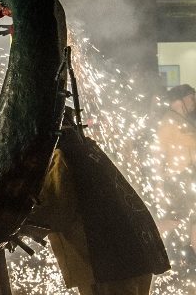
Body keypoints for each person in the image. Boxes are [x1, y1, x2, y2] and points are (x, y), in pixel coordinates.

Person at [25, 107, 170, 295]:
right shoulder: (86, 148)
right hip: (133, 257)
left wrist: (15, 222)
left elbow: (56, 213)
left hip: (106, 264)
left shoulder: (59, 155)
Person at [155, 84, 196, 267]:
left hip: (187, 178)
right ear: (179, 100)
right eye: (191, 98)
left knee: (190, 219)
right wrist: (159, 185)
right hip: (177, 179)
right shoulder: (169, 122)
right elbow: (158, 154)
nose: (194, 102)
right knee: (176, 220)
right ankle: (152, 248)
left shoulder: (183, 121)